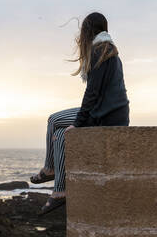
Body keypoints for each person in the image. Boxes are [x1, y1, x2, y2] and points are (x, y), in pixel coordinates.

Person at [30, 12, 129, 215]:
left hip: (106, 116)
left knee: (58, 129)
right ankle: (54, 179)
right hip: (108, 111)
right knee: (56, 127)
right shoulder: (108, 50)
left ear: (87, 31)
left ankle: (56, 184)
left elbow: (92, 93)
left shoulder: (100, 51)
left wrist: (78, 122)